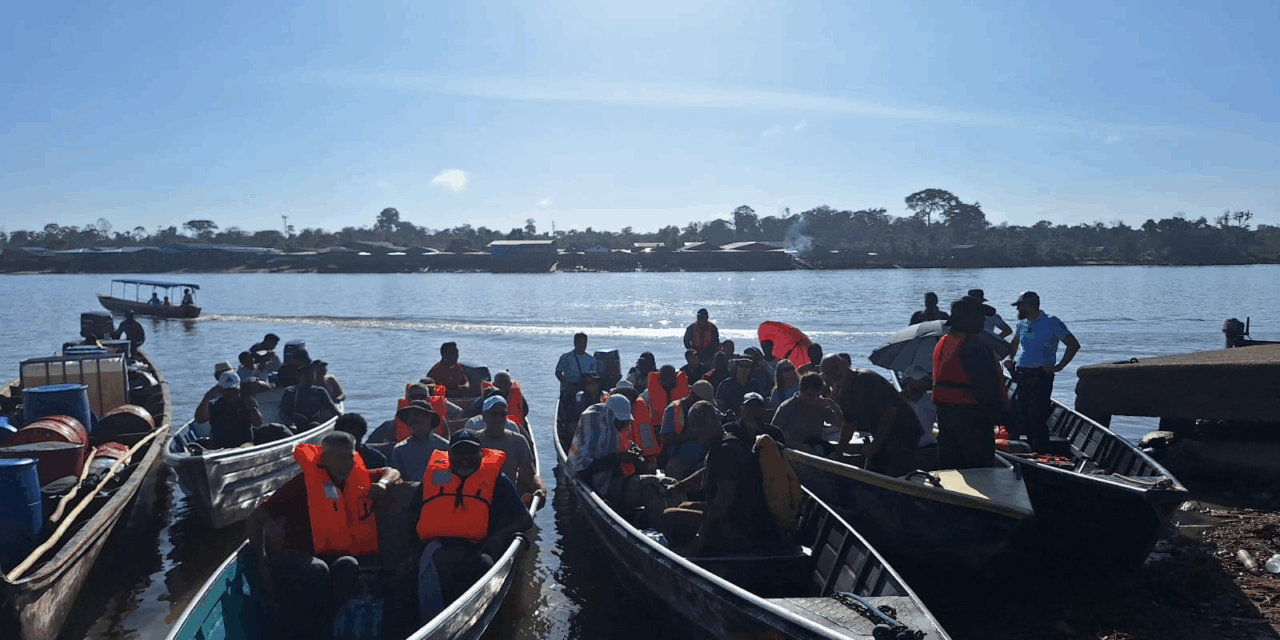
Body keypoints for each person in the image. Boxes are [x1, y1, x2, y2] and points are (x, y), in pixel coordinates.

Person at [247, 432, 401, 640]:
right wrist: (261, 560)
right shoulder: (302, 484)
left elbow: (391, 471)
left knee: (348, 564)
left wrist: (382, 483)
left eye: (349, 457)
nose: (346, 464)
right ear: (325, 459)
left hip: (331, 555)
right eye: (339, 458)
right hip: (295, 556)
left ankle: (325, 627)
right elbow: (257, 517)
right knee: (316, 569)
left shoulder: (357, 479)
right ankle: (298, 630)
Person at [415, 430, 532, 621]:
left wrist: (498, 537)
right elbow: (412, 515)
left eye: (470, 452)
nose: (465, 458)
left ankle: (469, 620)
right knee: (404, 580)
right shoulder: (436, 478)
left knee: (482, 567)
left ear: (481, 454)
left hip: (478, 549)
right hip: (439, 548)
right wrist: (413, 552)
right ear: (449, 456)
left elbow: (525, 519)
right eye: (459, 452)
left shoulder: (497, 480)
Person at [660, 400, 779, 554]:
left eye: (699, 424)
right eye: (693, 425)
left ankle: (698, 556)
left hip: (743, 530)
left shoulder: (727, 451)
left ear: (714, 421)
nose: (695, 431)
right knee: (686, 506)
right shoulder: (721, 444)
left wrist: (697, 542)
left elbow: (721, 504)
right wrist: (678, 486)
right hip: (734, 519)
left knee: (670, 517)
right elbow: (706, 472)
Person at [566, 395, 674, 523]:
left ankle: (675, 526)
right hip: (605, 489)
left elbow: (626, 444)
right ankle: (662, 527)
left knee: (670, 483)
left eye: (625, 421)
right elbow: (582, 469)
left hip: (624, 483)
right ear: (611, 416)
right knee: (652, 486)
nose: (623, 424)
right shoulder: (594, 430)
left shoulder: (616, 429)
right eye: (620, 420)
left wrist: (633, 450)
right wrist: (618, 458)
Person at [934, 297, 1014, 469]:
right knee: (979, 468)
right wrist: (1006, 418)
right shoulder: (974, 346)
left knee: (952, 466)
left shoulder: (943, 341)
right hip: (972, 418)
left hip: (945, 416)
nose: (983, 320)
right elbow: (987, 388)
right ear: (965, 318)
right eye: (979, 315)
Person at [1005, 291, 1080, 452]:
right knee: (1019, 412)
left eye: (1019, 306)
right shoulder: (1022, 325)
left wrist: (1059, 366)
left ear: (1028, 306)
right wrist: (1009, 358)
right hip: (1021, 373)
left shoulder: (1051, 322)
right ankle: (1021, 448)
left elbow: (1073, 345)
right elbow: (1014, 343)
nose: (1017, 310)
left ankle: (1039, 451)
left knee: (1037, 415)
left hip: (1041, 375)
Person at [836, 368, 926, 477]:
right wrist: (839, 450)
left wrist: (875, 444)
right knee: (874, 470)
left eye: (834, 371)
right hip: (883, 435)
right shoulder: (844, 394)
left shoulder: (867, 379)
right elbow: (849, 423)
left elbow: (889, 412)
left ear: (845, 365)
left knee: (895, 472)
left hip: (904, 431)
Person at [471, 396, 546, 504]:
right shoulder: (475, 441)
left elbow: (531, 474)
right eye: (494, 414)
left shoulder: (518, 441)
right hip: (479, 499)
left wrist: (540, 488)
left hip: (508, 501)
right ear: (484, 417)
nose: (499, 418)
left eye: (503, 414)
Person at [771, 373, 844, 455]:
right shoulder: (787, 407)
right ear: (801, 390)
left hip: (815, 449)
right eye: (811, 395)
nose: (815, 399)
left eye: (818, 395)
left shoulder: (820, 405)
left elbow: (840, 425)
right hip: (793, 453)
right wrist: (799, 446)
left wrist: (835, 408)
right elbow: (773, 436)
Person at [660, 380, 719, 479]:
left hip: (704, 458)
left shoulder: (705, 408)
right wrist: (691, 436)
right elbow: (664, 438)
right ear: (693, 396)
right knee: (672, 471)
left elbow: (721, 416)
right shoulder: (673, 409)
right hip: (679, 460)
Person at [193, 371, 262, 449]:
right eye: (227, 390)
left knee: (246, 447)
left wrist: (253, 409)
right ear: (222, 390)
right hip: (219, 444)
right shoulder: (214, 404)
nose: (231, 393)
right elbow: (199, 420)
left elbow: (258, 423)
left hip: (244, 442)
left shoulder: (247, 401)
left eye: (234, 389)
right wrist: (206, 398)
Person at [390, 399, 450, 481]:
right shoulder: (399, 449)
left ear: (429, 418)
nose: (412, 419)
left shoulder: (445, 447)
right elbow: (396, 479)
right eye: (409, 416)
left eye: (417, 415)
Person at [279, 362, 342, 429]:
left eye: (312, 376)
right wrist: (291, 424)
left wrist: (342, 418)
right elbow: (282, 413)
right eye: (306, 376)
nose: (309, 379)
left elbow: (333, 409)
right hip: (295, 424)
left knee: (314, 425)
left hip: (315, 423)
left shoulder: (320, 391)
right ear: (298, 377)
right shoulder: (290, 391)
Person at [556, 332, 598, 423]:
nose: (582, 345)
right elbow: (558, 372)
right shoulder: (566, 357)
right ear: (574, 343)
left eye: (584, 343)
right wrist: (566, 383)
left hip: (585, 388)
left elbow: (594, 376)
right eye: (580, 343)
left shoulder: (591, 360)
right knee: (570, 407)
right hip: (570, 387)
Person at [899, 365, 938, 445]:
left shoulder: (933, 400)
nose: (921, 383)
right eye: (917, 379)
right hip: (903, 448)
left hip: (928, 445)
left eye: (923, 379)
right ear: (907, 381)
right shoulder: (896, 400)